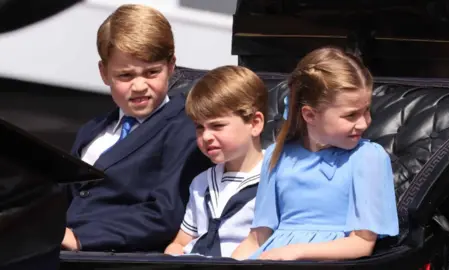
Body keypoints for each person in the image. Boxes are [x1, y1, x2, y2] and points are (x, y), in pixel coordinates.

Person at [62, 4, 210, 252]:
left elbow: (167, 213)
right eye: (126, 76)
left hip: (119, 256)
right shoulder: (92, 130)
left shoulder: (186, 129)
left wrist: (80, 238)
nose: (140, 86)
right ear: (104, 73)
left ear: (171, 66)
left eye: (152, 72)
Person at [232, 47, 399, 261]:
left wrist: (296, 251)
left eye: (366, 110)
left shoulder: (368, 157)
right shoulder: (277, 155)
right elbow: (257, 238)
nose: (364, 122)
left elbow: (363, 242)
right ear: (310, 115)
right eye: (351, 115)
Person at [164, 65, 268, 257]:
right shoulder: (200, 183)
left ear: (255, 124)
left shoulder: (274, 179)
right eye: (199, 128)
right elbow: (181, 242)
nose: (206, 136)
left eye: (217, 126)